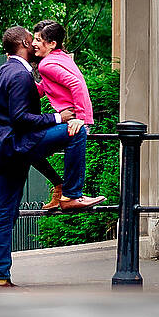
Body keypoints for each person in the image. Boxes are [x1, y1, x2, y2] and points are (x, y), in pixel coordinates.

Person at [0, 25, 101, 287]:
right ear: (23, 42)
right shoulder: (21, 74)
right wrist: (59, 117)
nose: (34, 44)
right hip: (20, 143)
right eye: (32, 40)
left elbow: (6, 117)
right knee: (76, 132)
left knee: (5, 213)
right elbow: (20, 118)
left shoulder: (1, 73)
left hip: (5, 148)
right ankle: (70, 195)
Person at [27, 20, 98, 211]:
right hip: (74, 119)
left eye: (38, 40)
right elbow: (45, 88)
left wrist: (80, 118)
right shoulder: (61, 57)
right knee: (27, 147)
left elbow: (76, 84)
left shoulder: (46, 65)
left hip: (74, 121)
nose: (34, 43)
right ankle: (62, 189)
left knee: (27, 147)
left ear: (52, 43)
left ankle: (70, 194)